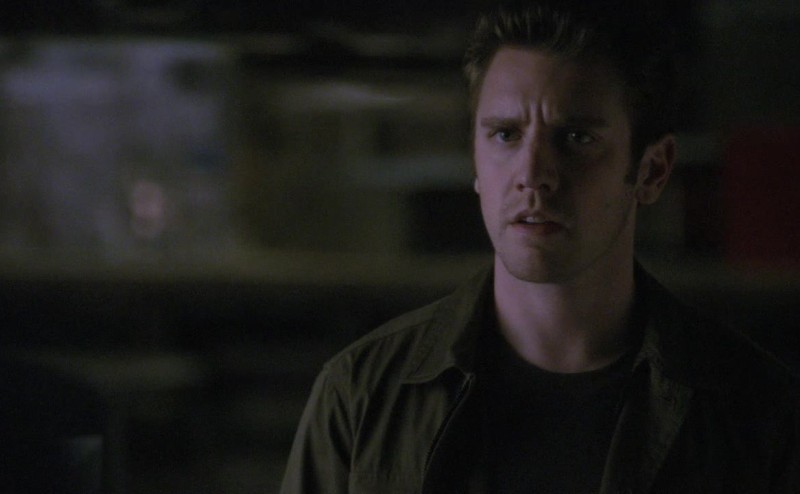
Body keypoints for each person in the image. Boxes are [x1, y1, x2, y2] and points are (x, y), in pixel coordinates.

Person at [280, 0, 800, 492]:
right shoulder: (361, 397)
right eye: (505, 135)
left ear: (652, 170)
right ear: (475, 159)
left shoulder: (759, 415)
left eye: (575, 138)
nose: (532, 174)